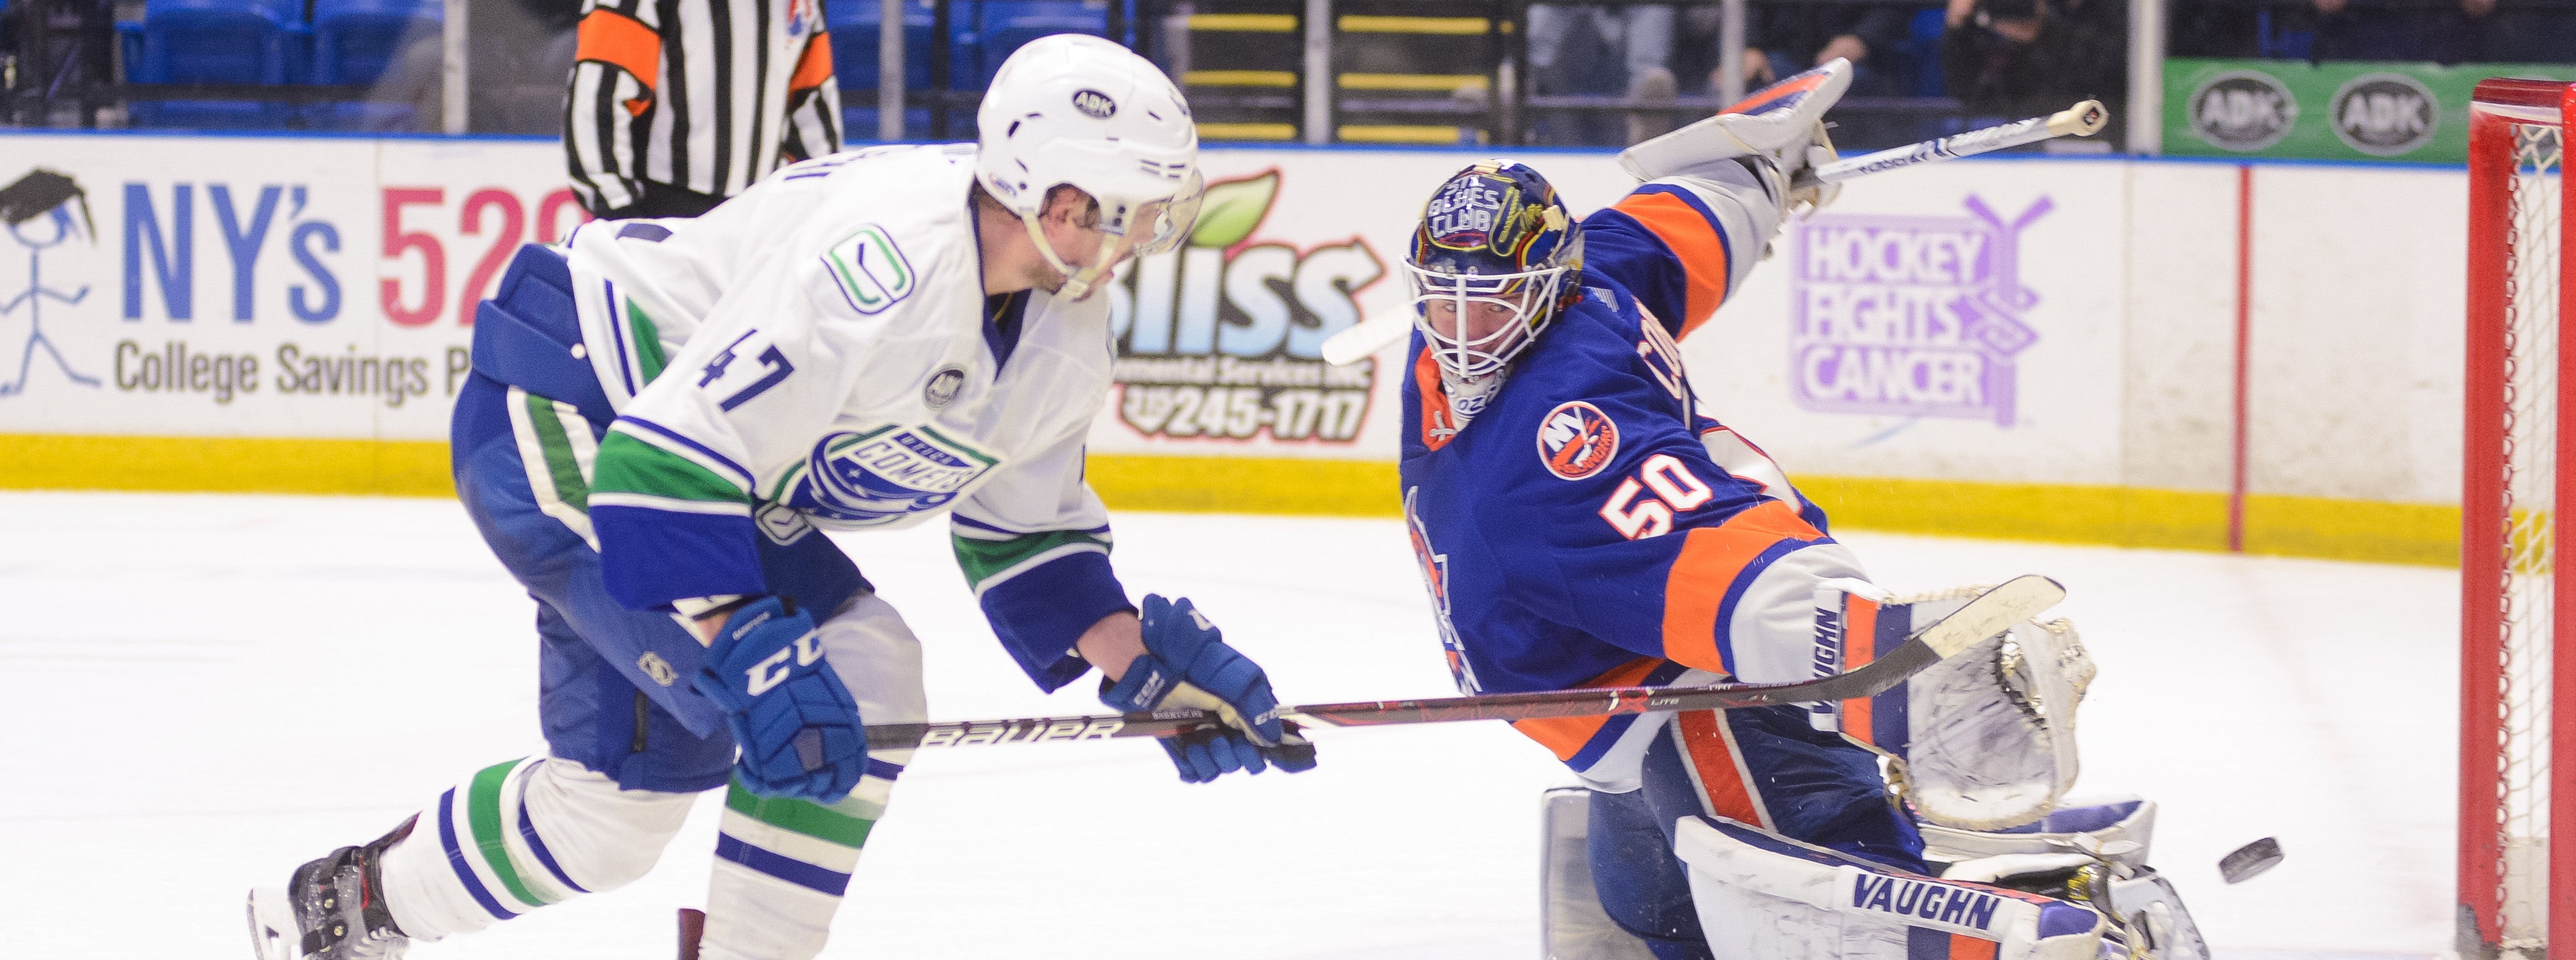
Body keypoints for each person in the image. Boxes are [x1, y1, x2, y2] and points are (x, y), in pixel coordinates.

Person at [246, 34, 1314, 960]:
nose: (1143, 243)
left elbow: (1024, 532)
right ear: (1058, 199)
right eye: (1132, 215)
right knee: (860, 667)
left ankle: (340, 906)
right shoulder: (884, 260)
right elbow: (665, 460)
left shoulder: (1064, 321)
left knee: (612, 818)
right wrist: (749, 633)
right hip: (574, 407)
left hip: (696, 481)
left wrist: (1148, 666)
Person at [1390, 62, 2202, 958]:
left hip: (1708, 709)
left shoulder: (1555, 443)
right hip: (1628, 734)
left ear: (1549, 283)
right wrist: (1761, 174)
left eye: (1494, 299)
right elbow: (1682, 225)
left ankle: (2091, 929)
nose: (1466, 333)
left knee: (1837, 931)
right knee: (1647, 912)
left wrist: (1884, 657)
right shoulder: (1596, 283)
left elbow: (1714, 566)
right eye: (1443, 296)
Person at [564, 0, 842, 218]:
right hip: (663, 207)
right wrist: (619, 211)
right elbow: (599, 95)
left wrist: (820, 205)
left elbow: (813, 105)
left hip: (759, 214)